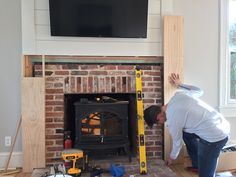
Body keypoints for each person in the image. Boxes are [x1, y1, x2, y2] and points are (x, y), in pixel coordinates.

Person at [144, 73, 230, 177]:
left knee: (205, 174)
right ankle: (197, 165)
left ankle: (206, 169)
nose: (161, 124)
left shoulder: (172, 120)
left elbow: (177, 143)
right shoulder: (178, 96)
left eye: (158, 123)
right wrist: (180, 84)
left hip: (214, 138)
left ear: (158, 117)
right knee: (186, 135)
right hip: (222, 124)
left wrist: (171, 158)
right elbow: (199, 91)